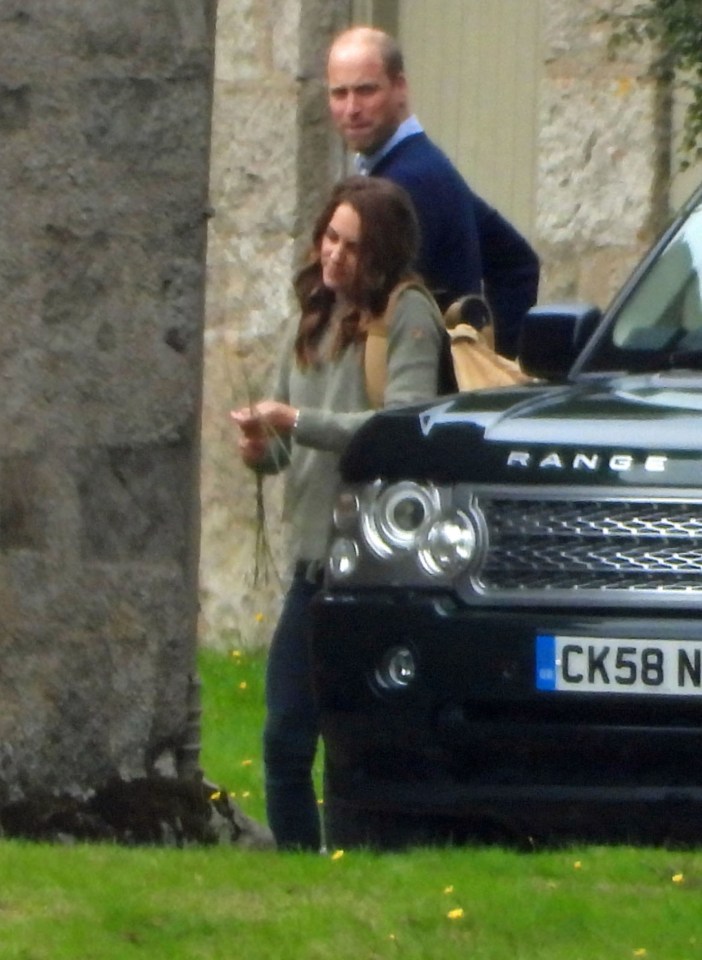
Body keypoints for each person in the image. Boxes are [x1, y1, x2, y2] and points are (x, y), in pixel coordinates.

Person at [230, 175, 443, 851]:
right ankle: (300, 874)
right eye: (330, 237)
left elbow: (399, 428)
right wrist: (263, 447)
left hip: (379, 564)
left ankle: (378, 854)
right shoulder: (312, 320)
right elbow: (289, 449)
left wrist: (299, 420)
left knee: (369, 733)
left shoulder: (408, 317)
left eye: (352, 246)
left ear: (382, 253)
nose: (334, 256)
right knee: (284, 734)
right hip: (312, 561)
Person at [326, 25, 540, 358]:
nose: (351, 108)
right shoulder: (426, 168)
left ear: (400, 88)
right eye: (339, 94)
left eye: (366, 91)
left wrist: (489, 368)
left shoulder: (409, 183)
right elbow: (517, 263)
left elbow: (375, 308)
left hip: (412, 393)